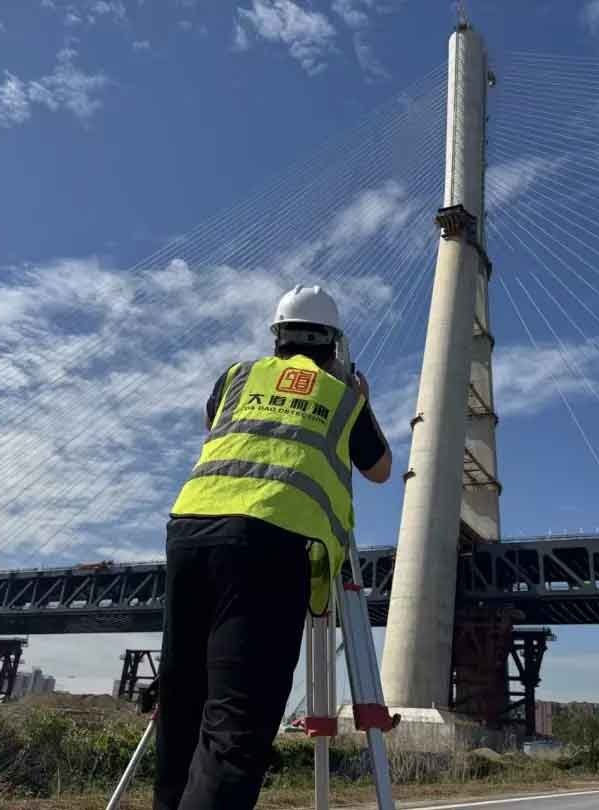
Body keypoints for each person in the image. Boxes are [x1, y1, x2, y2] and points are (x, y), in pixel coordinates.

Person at [154, 285, 392, 810]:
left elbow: (214, 424)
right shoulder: (342, 396)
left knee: (182, 705)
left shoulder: (236, 377)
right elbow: (379, 469)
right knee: (236, 725)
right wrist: (359, 396)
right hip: (270, 545)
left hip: (190, 532)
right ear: (335, 345)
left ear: (276, 338)